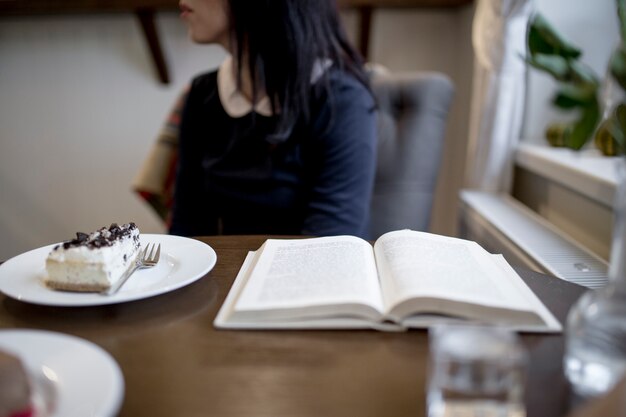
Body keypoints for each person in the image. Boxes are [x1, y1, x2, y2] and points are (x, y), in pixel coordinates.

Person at [170, 0, 377, 238]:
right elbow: (187, 230)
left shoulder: (342, 100)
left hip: (308, 271)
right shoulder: (201, 93)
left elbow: (328, 246)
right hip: (228, 273)